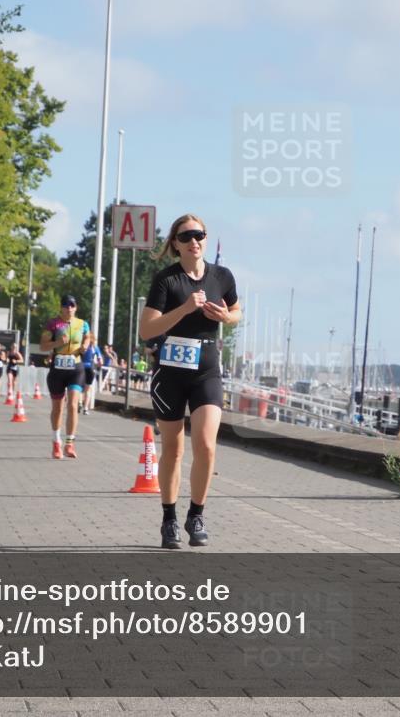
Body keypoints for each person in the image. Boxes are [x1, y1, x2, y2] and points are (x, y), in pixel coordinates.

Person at [139, 214, 240, 549]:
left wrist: (227, 317)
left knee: (207, 445)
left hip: (207, 370)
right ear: (176, 244)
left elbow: (238, 311)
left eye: (200, 234)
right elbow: (147, 329)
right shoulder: (167, 281)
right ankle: (169, 517)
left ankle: (196, 513)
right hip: (170, 372)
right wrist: (183, 310)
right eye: (186, 236)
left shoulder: (222, 276)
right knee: (173, 448)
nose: (194, 240)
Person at [40, 295, 91, 459]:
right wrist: (56, 343)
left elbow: (88, 336)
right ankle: (56, 442)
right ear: (60, 307)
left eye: (72, 305)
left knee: (73, 405)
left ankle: (70, 443)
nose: (69, 308)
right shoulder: (53, 324)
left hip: (75, 368)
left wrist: (85, 345)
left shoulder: (82, 324)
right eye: (65, 305)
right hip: (57, 369)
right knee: (58, 408)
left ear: (76, 307)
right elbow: (42, 346)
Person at [81, 339, 101, 414]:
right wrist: (98, 366)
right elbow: (100, 361)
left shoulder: (82, 346)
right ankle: (85, 408)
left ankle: (79, 403)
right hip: (91, 368)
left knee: (79, 387)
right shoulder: (95, 348)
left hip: (81, 367)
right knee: (88, 389)